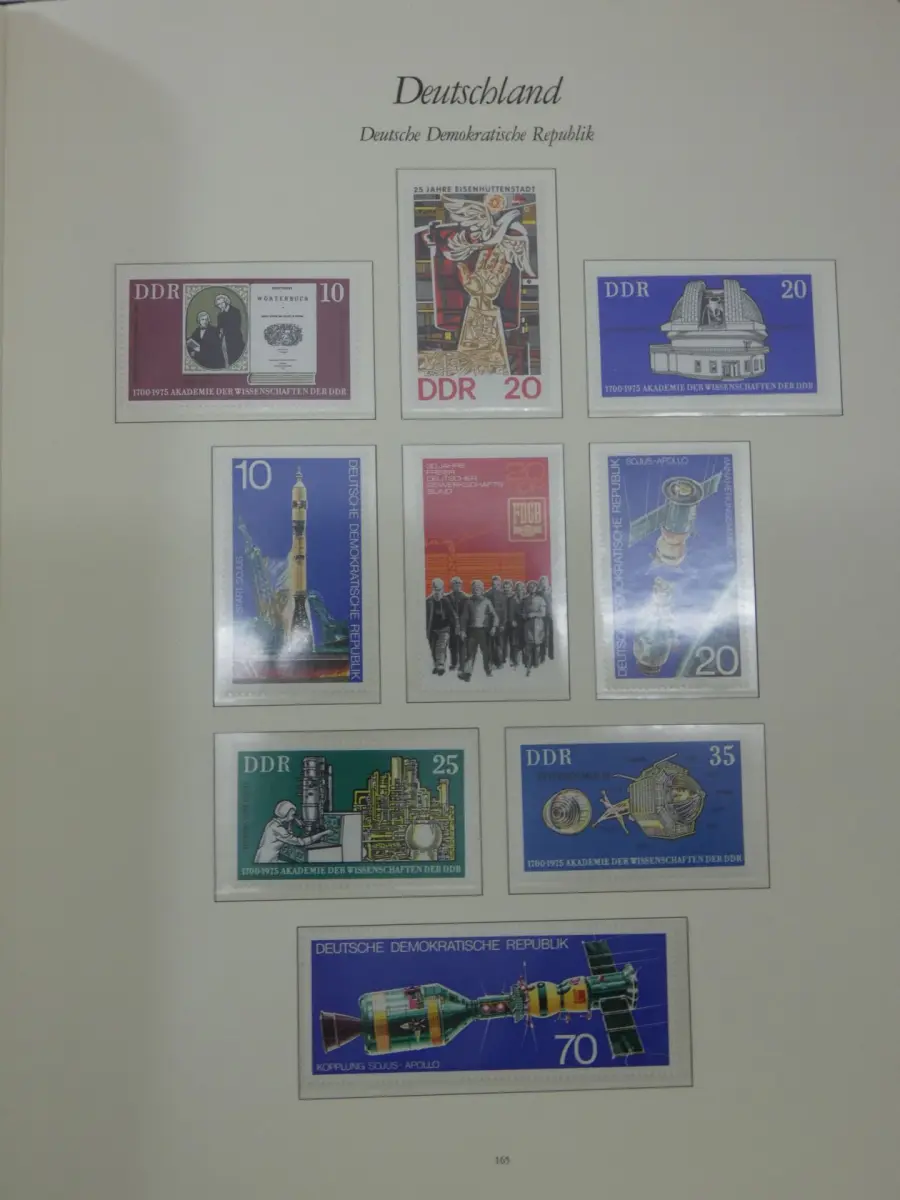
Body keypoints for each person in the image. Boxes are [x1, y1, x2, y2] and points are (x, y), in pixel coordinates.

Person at [254, 801, 330, 864]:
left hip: (263, 857)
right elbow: (301, 842)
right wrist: (323, 833)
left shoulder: (272, 823)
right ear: (286, 813)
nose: (294, 817)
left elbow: (288, 835)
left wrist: (290, 822)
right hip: (268, 861)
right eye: (293, 815)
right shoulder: (278, 828)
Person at [459, 579, 496, 682]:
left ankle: (488, 671)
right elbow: (464, 617)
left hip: (483, 631)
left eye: (479, 588)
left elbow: (494, 616)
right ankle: (467, 673)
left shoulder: (487, 602)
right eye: (475, 588)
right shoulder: (468, 602)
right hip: (472, 631)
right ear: (472, 590)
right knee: (470, 653)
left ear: (482, 590)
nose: (476, 590)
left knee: (486, 652)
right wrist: (462, 630)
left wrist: (494, 627)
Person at [425, 577, 457, 676]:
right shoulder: (428, 602)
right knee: (433, 648)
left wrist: (456, 627)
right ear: (432, 589)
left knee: (441, 646)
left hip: (444, 629)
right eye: (435, 589)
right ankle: (437, 665)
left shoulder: (446, 601)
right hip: (432, 630)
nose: (437, 592)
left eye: (439, 590)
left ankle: (440, 665)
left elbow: (453, 615)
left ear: (442, 590)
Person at [521, 580, 547, 676]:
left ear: (536, 588)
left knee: (537, 646)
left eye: (534, 587)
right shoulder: (525, 599)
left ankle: (537, 666)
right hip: (528, 625)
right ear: (528, 588)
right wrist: (524, 615)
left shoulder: (540, 599)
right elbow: (523, 611)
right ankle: (528, 667)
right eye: (530, 587)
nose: (532, 588)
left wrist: (534, 614)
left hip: (538, 624)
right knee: (528, 646)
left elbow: (543, 613)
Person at [214, 292, 246, 367]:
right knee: (226, 358)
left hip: (235, 339)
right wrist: (219, 332)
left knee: (235, 358)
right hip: (224, 340)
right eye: (218, 304)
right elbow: (219, 327)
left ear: (226, 301)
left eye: (222, 303)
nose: (220, 306)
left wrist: (223, 330)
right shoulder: (220, 315)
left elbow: (235, 326)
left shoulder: (235, 311)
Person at [446, 576, 468, 671]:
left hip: (462, 625)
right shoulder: (447, 597)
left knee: (462, 645)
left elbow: (466, 613)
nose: (457, 586)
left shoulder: (465, 597)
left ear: (461, 585)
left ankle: (462, 665)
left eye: (459, 584)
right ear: (452, 586)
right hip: (451, 626)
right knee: (452, 645)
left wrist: (462, 627)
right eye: (455, 584)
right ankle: (454, 663)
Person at [486, 574, 508, 668]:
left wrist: (503, 624)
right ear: (491, 584)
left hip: (500, 624)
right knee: (490, 643)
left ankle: (499, 662)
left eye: (497, 584)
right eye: (494, 584)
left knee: (500, 643)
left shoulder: (503, 595)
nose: (495, 586)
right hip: (489, 623)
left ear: (500, 584)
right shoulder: (487, 595)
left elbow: (505, 611)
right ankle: (490, 662)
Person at [537, 574, 554, 662]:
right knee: (541, 636)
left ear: (547, 583)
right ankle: (542, 656)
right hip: (541, 617)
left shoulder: (552, 592)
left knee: (551, 636)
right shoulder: (538, 593)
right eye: (542, 583)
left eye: (545, 582)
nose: (543, 584)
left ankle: (551, 655)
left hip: (551, 616)